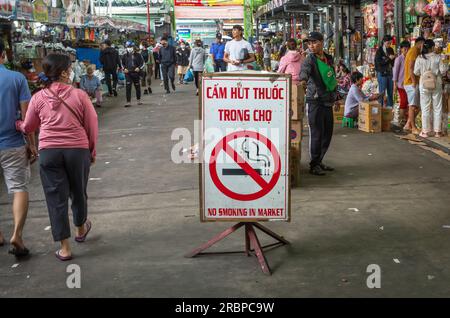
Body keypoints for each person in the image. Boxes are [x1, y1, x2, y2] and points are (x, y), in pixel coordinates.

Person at [16, 53, 98, 261]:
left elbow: (29, 127)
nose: (71, 72)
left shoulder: (38, 97)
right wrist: (92, 150)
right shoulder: (79, 95)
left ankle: (65, 248)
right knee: (78, 191)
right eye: (69, 69)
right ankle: (80, 229)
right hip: (77, 151)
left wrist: (18, 125)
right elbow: (92, 124)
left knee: (56, 199)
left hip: (49, 152)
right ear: (63, 72)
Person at [0, 40, 37, 257]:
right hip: (12, 143)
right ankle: (17, 235)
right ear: (3, 55)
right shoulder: (16, 78)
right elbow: (27, 117)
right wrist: (32, 144)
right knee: (18, 187)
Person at [299, 32, 339, 176]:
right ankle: (313, 164)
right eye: (309, 43)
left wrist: (336, 97)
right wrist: (303, 81)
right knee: (316, 133)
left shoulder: (328, 58)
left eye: (314, 42)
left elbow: (332, 78)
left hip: (327, 100)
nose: (311, 46)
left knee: (327, 133)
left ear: (322, 42)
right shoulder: (309, 60)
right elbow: (304, 72)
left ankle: (320, 160)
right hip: (314, 100)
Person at [413, 39, 448, 138]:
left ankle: (425, 132)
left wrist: (424, 73)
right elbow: (443, 70)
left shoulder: (420, 58)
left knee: (425, 108)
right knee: (437, 107)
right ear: (432, 47)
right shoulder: (438, 57)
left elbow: (416, 72)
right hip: (436, 84)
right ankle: (438, 131)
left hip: (424, 85)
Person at [403, 37, 425, 134]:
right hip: (411, 83)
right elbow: (411, 68)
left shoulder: (414, 51)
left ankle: (408, 124)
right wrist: (414, 82)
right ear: (420, 43)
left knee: (417, 106)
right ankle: (413, 127)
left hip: (411, 82)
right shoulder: (414, 51)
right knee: (412, 106)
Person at [392, 40, 411, 125]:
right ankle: (402, 120)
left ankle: (406, 120)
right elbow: (395, 72)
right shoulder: (398, 59)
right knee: (403, 102)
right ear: (401, 49)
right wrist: (395, 84)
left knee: (408, 102)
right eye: (404, 49)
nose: (406, 51)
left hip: (409, 84)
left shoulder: (410, 58)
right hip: (401, 84)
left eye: (408, 49)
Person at [375, 35, 396, 108]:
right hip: (382, 74)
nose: (389, 45)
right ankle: (380, 108)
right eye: (388, 43)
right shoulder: (379, 51)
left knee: (390, 92)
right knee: (382, 92)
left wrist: (393, 58)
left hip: (390, 73)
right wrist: (388, 58)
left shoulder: (391, 49)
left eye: (390, 43)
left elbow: (393, 63)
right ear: (384, 42)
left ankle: (390, 109)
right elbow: (378, 63)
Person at [121, 41, 144, 107]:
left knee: (137, 87)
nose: (129, 48)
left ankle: (138, 100)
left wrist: (139, 68)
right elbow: (122, 63)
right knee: (128, 87)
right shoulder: (125, 55)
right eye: (128, 47)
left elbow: (142, 63)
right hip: (128, 73)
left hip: (136, 73)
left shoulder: (139, 55)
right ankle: (128, 102)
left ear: (133, 47)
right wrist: (124, 69)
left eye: (130, 47)